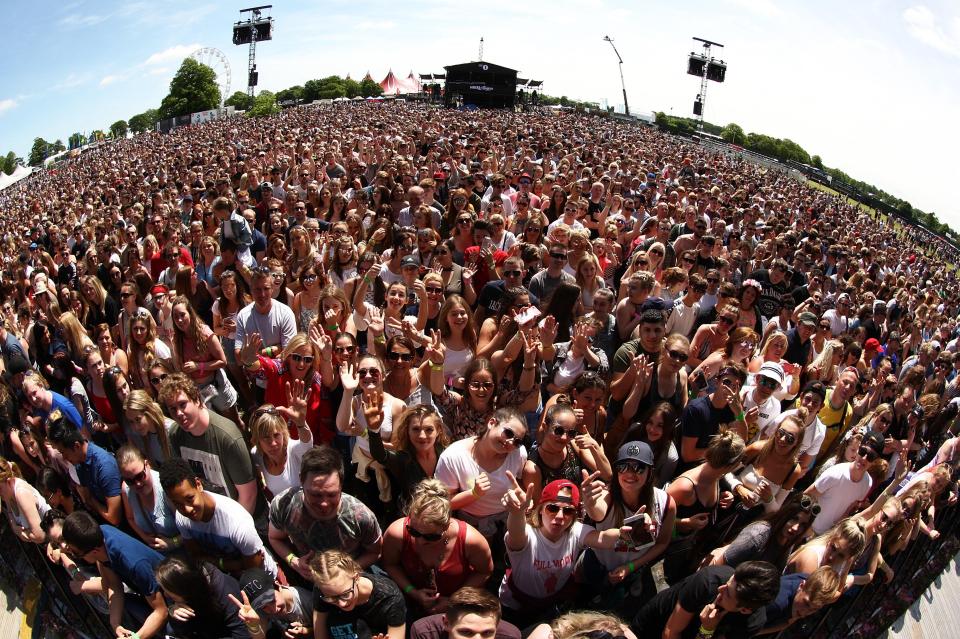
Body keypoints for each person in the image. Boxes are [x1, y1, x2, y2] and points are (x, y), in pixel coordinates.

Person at [498, 476, 633, 629]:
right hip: (518, 604)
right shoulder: (528, 535)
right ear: (541, 509)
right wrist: (516, 512)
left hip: (555, 600)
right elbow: (516, 532)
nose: (560, 516)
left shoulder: (575, 531)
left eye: (568, 511)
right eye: (553, 508)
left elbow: (602, 538)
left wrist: (628, 534)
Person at [581, 441, 677, 606]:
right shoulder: (607, 497)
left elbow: (662, 543)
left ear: (650, 472)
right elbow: (597, 512)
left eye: (639, 467)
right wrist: (589, 504)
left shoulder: (666, 503)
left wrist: (631, 567)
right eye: (623, 466)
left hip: (635, 567)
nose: (630, 474)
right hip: (600, 565)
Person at [268, 446, 383, 581]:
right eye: (315, 494)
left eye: (332, 494)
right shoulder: (284, 505)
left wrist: (346, 573)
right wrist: (293, 561)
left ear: (341, 483)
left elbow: (375, 552)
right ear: (301, 480)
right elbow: (275, 538)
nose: (324, 503)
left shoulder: (361, 517)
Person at [380, 479, 493, 616]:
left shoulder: (471, 541)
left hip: (458, 608)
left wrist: (454, 600)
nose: (420, 541)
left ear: (446, 526)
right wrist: (412, 592)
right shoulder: (396, 534)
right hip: (410, 605)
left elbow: (484, 572)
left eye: (430, 537)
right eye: (414, 532)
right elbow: (390, 565)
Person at [159, 457, 279, 579]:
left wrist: (218, 563)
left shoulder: (237, 521)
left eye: (190, 498)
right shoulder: (182, 518)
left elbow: (254, 567)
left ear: (198, 485)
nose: (187, 509)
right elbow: (195, 555)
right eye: (177, 504)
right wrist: (234, 565)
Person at [159, 373, 260, 516]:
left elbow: (248, 495)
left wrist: (233, 532)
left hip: (243, 519)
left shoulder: (227, 437)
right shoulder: (175, 435)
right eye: (173, 409)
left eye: (182, 405)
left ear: (197, 400)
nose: (179, 413)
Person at [60, 510, 168, 639]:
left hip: (172, 598)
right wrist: (115, 624)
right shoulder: (100, 536)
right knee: (126, 607)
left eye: (76, 553)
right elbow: (113, 585)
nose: (73, 555)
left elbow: (161, 611)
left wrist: (136, 638)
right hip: (146, 594)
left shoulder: (133, 564)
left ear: (94, 551)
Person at [435, 408, 528, 537]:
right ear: (491, 423)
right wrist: (474, 493)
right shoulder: (453, 456)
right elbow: (443, 502)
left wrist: (523, 499)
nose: (510, 442)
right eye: (508, 433)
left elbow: (519, 484)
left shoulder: (518, 454)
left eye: (517, 441)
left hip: (507, 522)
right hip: (470, 526)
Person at [630, 560, 780, 639]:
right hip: (655, 623)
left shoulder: (752, 623)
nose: (721, 588)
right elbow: (670, 631)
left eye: (728, 593)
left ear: (745, 610)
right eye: (730, 581)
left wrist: (706, 630)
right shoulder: (708, 581)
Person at [309, 549, 407, 639]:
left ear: (356, 577)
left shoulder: (390, 598)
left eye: (345, 594)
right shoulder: (324, 590)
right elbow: (320, 635)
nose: (342, 604)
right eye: (332, 598)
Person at [46, 413, 123, 525]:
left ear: (76, 446)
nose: (64, 458)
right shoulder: (79, 463)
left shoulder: (104, 466)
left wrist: (92, 500)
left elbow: (114, 517)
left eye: (64, 453)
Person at [155, 552, 251, 639]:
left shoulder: (228, 596)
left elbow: (243, 635)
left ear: (188, 592)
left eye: (171, 596)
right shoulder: (183, 586)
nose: (165, 595)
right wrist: (173, 611)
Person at [805, 430, 883, 534]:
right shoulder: (836, 472)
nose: (864, 458)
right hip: (807, 529)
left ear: (875, 461)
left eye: (870, 456)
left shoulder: (867, 483)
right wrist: (806, 527)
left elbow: (849, 509)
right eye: (863, 451)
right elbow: (807, 496)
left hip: (826, 536)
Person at [249, 383, 314, 499]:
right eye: (266, 437)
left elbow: (307, 444)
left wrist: (300, 423)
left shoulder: (294, 450)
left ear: (283, 432)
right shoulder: (256, 454)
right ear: (257, 439)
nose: (273, 443)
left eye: (276, 435)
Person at [116, 444, 179, 552]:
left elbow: (190, 527)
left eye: (140, 476)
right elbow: (130, 518)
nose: (138, 484)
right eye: (130, 481)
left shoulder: (166, 488)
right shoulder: (126, 489)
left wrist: (172, 542)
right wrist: (145, 537)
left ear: (147, 464)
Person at [409, 586, 521, 639]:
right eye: (467, 632)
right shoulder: (424, 633)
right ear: (446, 623)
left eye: (487, 633)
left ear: (497, 626)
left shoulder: (510, 636)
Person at [756, 567, 842, 635]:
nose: (805, 612)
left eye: (814, 609)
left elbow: (836, 595)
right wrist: (756, 632)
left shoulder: (810, 580)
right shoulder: (777, 604)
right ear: (801, 586)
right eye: (806, 603)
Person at [233, 567, 315, 638]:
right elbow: (260, 637)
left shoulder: (307, 600)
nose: (274, 609)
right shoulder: (261, 608)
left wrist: (307, 631)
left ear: (278, 586)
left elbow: (326, 628)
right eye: (264, 607)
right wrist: (253, 625)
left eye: (272, 601)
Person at [0, 456, 50, 543]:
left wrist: (20, 533)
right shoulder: (8, 493)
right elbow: (10, 514)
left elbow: (40, 536)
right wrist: (15, 528)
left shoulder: (21, 494)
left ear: (8, 480)